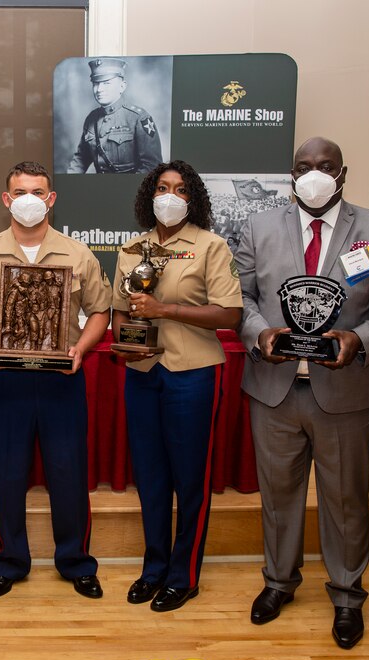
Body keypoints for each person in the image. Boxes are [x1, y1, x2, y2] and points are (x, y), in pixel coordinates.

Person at [234, 137, 369, 649]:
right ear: (290, 174)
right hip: (274, 388)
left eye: (325, 166)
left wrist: (361, 338)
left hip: (344, 390)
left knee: (345, 499)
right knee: (278, 498)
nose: (313, 174)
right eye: (303, 166)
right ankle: (278, 582)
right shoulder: (259, 226)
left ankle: (346, 594)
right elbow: (242, 298)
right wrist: (258, 333)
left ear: (342, 172)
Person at [0, 161, 112, 599]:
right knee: (7, 474)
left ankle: (76, 562)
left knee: (68, 474)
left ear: (51, 198)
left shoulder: (79, 254)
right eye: (20, 192)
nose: (29, 200)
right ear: (7, 199)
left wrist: (83, 348)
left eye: (37, 192)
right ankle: (9, 562)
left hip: (63, 379)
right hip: (6, 380)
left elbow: (101, 311)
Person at [111, 160, 243, 612]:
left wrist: (166, 311)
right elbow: (119, 311)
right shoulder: (131, 249)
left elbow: (229, 314)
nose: (170, 196)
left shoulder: (211, 247)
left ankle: (184, 575)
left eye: (181, 190)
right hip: (142, 374)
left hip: (193, 374)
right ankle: (154, 568)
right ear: (151, 194)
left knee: (190, 480)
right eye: (163, 188)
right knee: (150, 478)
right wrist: (126, 343)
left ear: (193, 199)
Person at [67, 58, 162, 174]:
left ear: (122, 86)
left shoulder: (139, 118)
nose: (99, 89)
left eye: (106, 83)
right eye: (96, 83)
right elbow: (81, 159)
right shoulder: (91, 119)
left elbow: (152, 166)